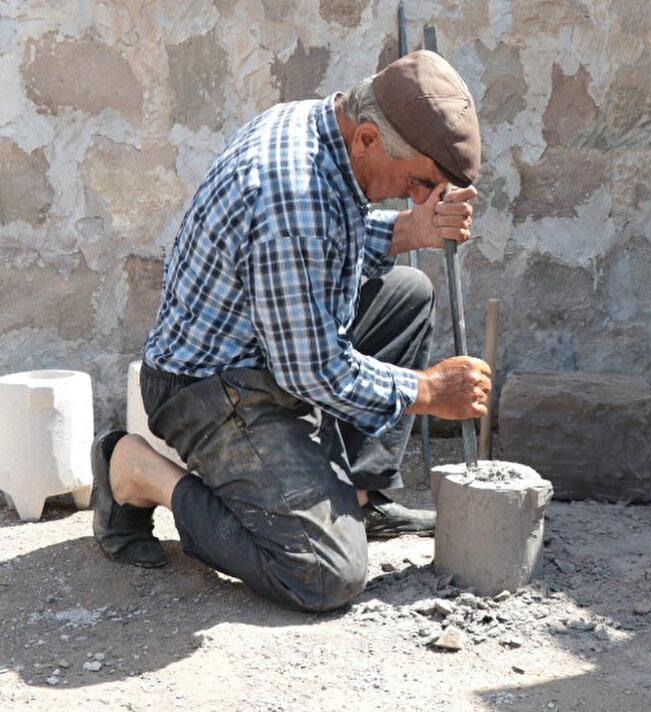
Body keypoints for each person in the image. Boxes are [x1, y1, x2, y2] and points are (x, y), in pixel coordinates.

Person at [91, 50, 491, 612]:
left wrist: (407, 228)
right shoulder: (290, 194)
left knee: (407, 295)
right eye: (420, 182)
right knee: (327, 574)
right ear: (369, 140)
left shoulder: (323, 123)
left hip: (264, 342)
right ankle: (138, 471)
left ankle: (355, 492)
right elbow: (313, 369)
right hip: (209, 387)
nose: (423, 197)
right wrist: (427, 393)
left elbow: (327, 243)